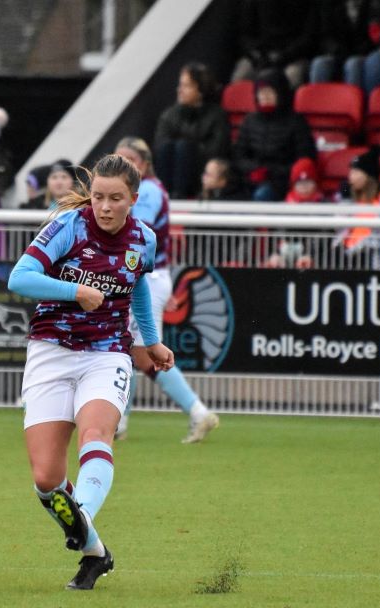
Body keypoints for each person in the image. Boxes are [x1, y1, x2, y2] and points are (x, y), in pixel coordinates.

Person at [7, 153, 175, 591]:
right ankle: (95, 552)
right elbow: (19, 279)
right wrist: (73, 290)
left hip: (107, 353)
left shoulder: (145, 240)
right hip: (50, 351)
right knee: (46, 478)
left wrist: (150, 340)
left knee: (96, 435)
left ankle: (80, 517)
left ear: (133, 200)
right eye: (98, 196)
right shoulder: (68, 225)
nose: (104, 206)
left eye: (115, 198)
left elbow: (136, 290)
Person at [113, 137, 219, 443]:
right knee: (130, 351)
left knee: (143, 353)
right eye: (117, 158)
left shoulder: (146, 191)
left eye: (128, 159)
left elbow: (132, 230)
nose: (121, 164)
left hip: (146, 278)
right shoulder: (138, 190)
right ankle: (119, 422)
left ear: (144, 164)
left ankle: (197, 411)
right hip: (142, 276)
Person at [232, 68, 317, 201]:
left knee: (262, 194)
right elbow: (239, 156)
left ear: (280, 93)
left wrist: (270, 172)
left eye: (269, 92)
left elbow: (304, 159)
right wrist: (254, 169)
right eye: (260, 92)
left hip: (281, 182)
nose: (264, 96)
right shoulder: (249, 120)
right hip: (249, 178)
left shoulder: (296, 121)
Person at [153, 62, 231, 199]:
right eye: (180, 85)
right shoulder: (169, 114)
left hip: (201, 174)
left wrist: (189, 149)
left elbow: (217, 151)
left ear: (201, 90)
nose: (180, 90)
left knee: (184, 147)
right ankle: (163, 196)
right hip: (169, 173)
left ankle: (179, 196)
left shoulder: (217, 116)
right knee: (169, 148)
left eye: (187, 86)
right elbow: (160, 145)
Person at [230, 0, 319, 89]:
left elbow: (308, 37)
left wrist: (284, 56)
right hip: (260, 55)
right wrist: (258, 55)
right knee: (241, 77)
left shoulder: (308, 3)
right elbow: (245, 34)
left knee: (293, 75)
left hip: (294, 56)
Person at [334, 145, 380, 264]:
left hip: (370, 256)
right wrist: (345, 199)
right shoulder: (350, 199)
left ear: (369, 176)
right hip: (345, 257)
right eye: (350, 172)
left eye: (356, 172)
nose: (351, 177)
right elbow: (338, 226)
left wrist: (357, 248)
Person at [266, 157, 325, 268]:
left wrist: (311, 256)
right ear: (293, 184)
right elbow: (274, 236)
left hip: (312, 256)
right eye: (300, 182)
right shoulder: (282, 207)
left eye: (308, 182)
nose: (304, 187)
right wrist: (275, 254)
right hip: (284, 254)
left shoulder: (324, 206)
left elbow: (324, 238)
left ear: (315, 183)